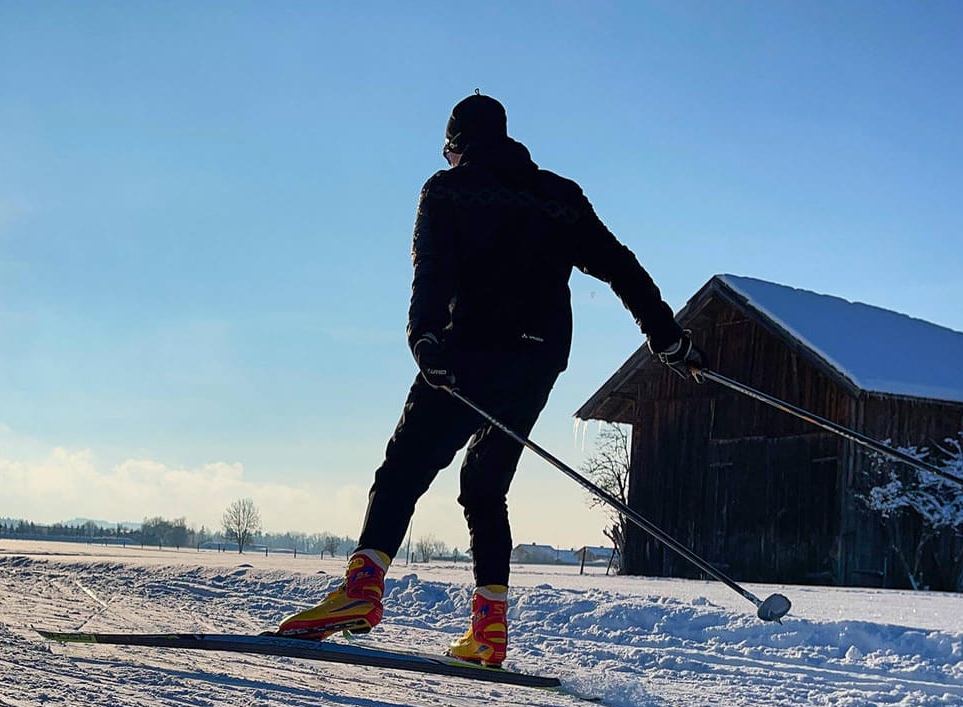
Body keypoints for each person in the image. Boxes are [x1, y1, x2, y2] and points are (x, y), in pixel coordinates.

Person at [276, 93, 705, 666]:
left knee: (404, 468)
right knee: (484, 485)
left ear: (455, 146)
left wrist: (424, 338)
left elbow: (431, 271)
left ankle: (361, 594)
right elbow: (620, 266)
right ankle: (490, 630)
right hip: (537, 361)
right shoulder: (560, 197)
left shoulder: (446, 189)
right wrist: (665, 335)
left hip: (466, 352)